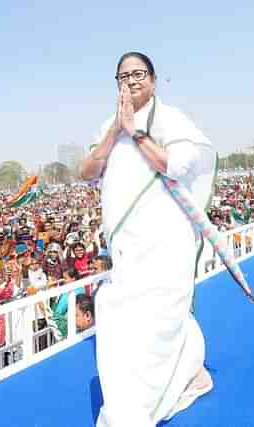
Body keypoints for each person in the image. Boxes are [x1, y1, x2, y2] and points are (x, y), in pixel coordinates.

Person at [80, 52, 214, 426]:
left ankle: (135, 411)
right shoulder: (110, 124)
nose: (131, 80)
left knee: (161, 321)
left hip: (166, 241)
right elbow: (87, 170)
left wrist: (136, 131)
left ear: (153, 81)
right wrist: (115, 130)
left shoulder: (172, 119)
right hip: (127, 247)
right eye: (123, 76)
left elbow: (176, 165)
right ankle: (189, 374)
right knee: (123, 317)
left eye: (139, 74)